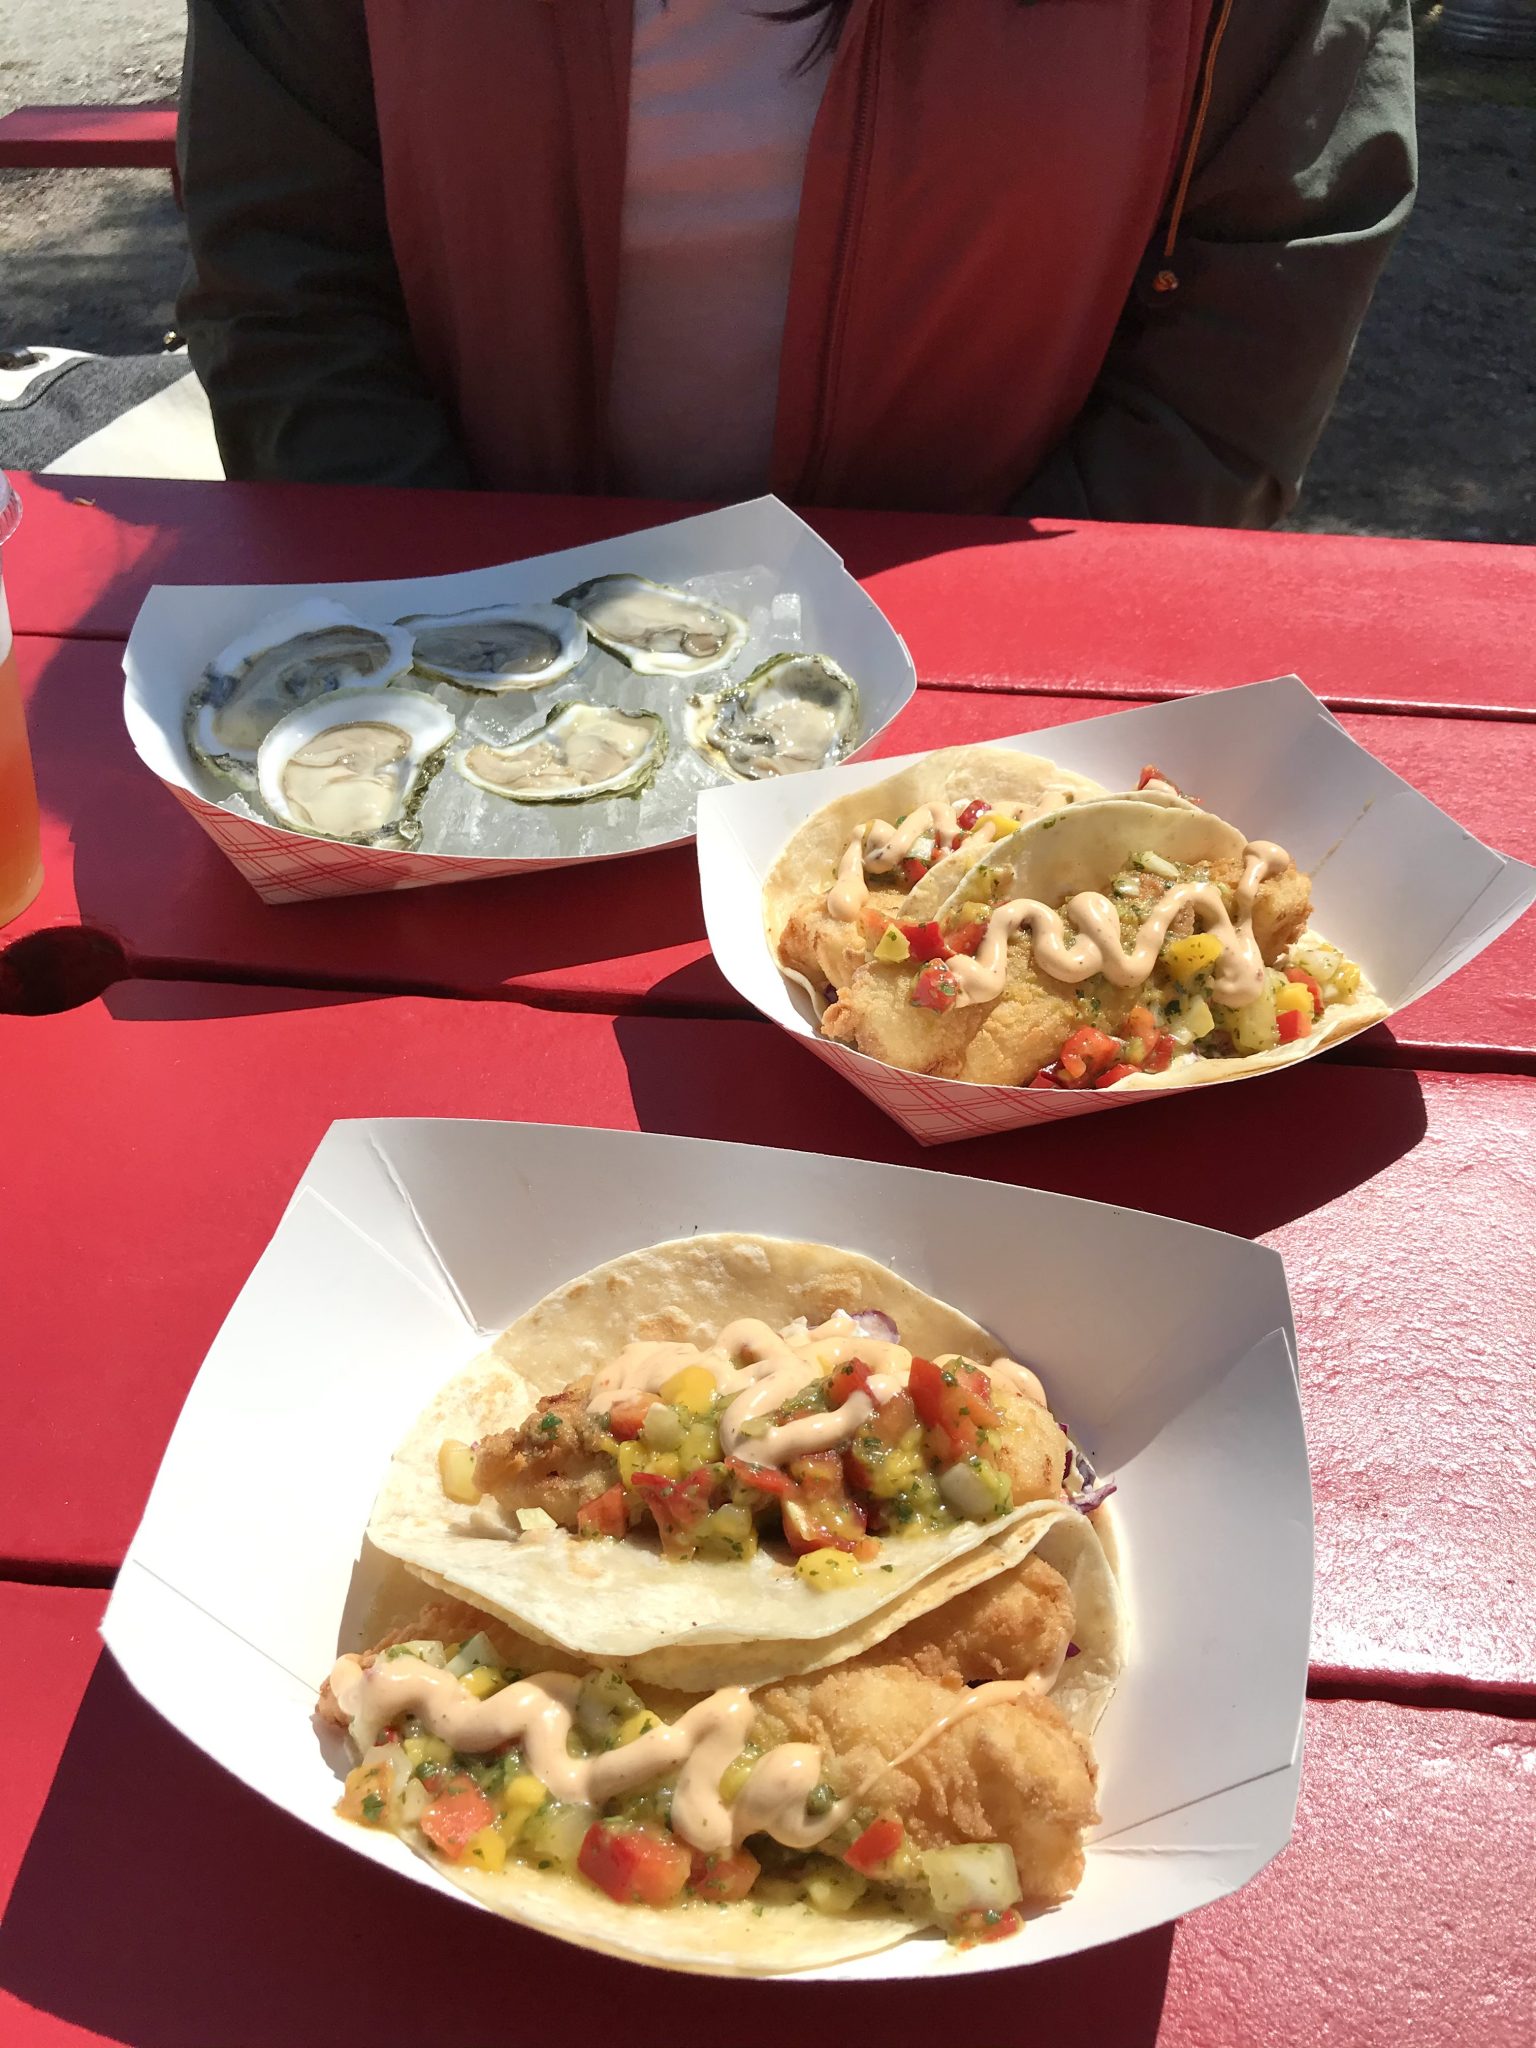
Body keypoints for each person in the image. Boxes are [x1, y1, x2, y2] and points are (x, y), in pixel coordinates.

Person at [176, 1, 1416, 526]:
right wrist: (455, 642)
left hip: (973, 763)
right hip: (464, 700)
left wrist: (994, 702)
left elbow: (1263, 294)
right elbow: (289, 266)